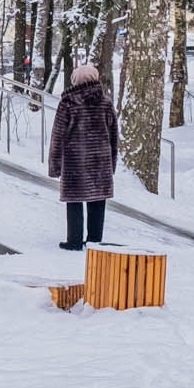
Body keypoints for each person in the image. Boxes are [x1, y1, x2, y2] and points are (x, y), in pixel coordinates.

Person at [49, 62, 120, 250]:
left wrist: (55, 165)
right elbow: (114, 135)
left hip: (74, 162)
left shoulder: (67, 103)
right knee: (97, 201)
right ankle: (95, 241)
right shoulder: (105, 102)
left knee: (74, 201)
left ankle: (74, 241)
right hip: (100, 161)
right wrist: (112, 163)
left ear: (75, 80)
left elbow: (57, 135)